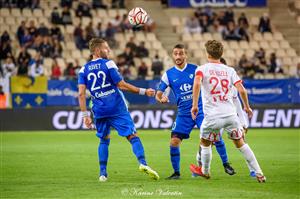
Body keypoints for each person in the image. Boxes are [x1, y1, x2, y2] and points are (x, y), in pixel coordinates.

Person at [77, 38, 159, 182]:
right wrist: (143, 91)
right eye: (106, 48)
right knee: (132, 136)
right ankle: (143, 163)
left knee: (104, 140)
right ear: (97, 50)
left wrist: (85, 115)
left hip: (99, 110)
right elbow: (121, 84)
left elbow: (81, 94)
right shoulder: (108, 64)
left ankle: (103, 174)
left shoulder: (83, 69)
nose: (108, 51)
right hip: (116, 108)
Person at [156, 44, 235, 180]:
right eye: (175, 54)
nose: (178, 56)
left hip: (200, 111)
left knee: (214, 137)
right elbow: (158, 93)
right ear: (172, 55)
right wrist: (161, 97)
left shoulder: (197, 69)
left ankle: (226, 163)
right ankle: (176, 173)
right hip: (183, 114)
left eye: (181, 53)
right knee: (174, 142)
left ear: (186, 55)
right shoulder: (168, 74)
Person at [190, 40, 266, 183]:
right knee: (241, 143)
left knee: (205, 142)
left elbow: (197, 83)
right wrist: (247, 107)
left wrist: (195, 105)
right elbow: (242, 90)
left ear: (207, 54)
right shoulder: (230, 70)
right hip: (231, 115)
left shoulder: (202, 69)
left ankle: (205, 171)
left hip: (213, 115)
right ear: (221, 53)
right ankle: (259, 173)